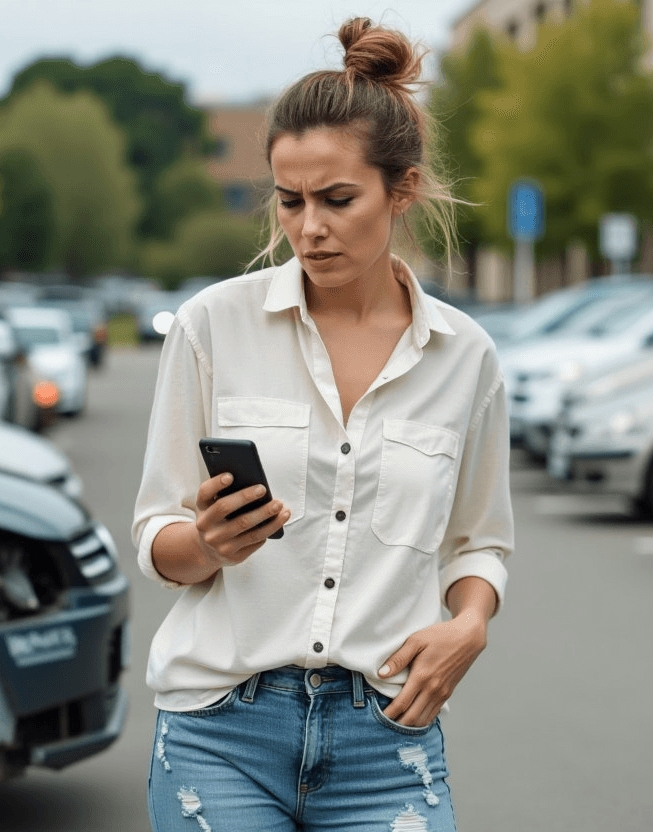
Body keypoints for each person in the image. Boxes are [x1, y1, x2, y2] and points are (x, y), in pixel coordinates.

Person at [133, 17, 513, 831]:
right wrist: (206, 544)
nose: (309, 227)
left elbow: (479, 539)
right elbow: (156, 533)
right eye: (291, 200)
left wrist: (469, 623)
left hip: (387, 741)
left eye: (338, 200)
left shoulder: (465, 357)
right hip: (220, 732)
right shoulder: (211, 328)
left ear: (400, 189)